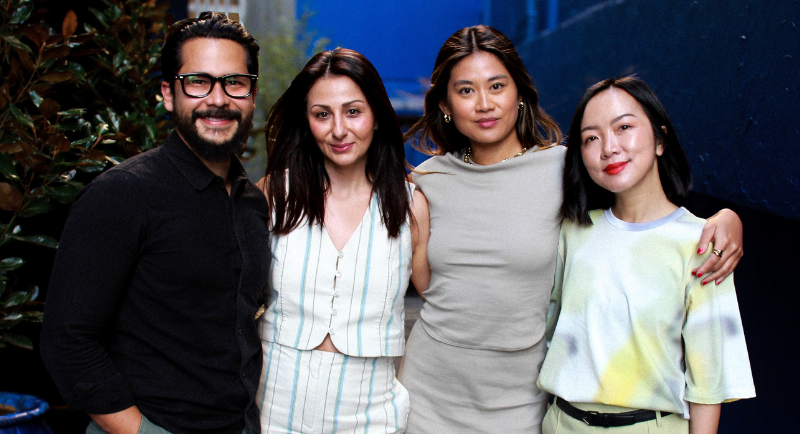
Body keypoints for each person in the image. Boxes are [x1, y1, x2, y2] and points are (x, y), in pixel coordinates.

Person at [397, 25, 744, 434]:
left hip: (520, 402)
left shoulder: (565, 170)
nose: (485, 104)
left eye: (496, 85)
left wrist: (728, 220)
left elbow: (637, 209)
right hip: (428, 392)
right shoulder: (427, 179)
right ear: (445, 104)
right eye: (466, 90)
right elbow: (428, 284)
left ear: (521, 94)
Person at [40, 12, 269, 434]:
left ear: (252, 96)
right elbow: (67, 341)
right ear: (168, 93)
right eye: (198, 81)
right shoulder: (122, 194)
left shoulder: (252, 202)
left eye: (234, 82)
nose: (217, 99)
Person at [537, 76, 755, 433]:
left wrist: (729, 218)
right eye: (591, 138)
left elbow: (708, 381)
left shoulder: (702, 243)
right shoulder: (572, 232)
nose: (609, 147)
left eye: (623, 127)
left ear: (660, 140)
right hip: (561, 423)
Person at [255, 48, 430, 434]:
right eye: (322, 114)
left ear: (377, 117)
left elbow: (445, 310)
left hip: (371, 415)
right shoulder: (274, 194)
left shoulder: (410, 205)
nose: (338, 130)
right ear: (307, 122)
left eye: (353, 111)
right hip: (275, 407)